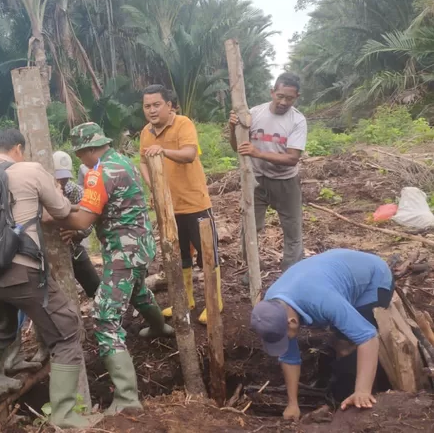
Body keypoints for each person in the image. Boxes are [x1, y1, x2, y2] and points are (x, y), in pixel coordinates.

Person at [0, 129, 98, 429]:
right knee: (67, 330)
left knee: (2, 325)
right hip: (20, 270)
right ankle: (65, 416)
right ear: (17, 149)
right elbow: (63, 209)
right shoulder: (29, 169)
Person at [57, 122, 173, 415]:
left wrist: (52, 217)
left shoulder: (99, 173)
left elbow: (84, 219)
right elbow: (102, 209)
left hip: (123, 252)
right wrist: (77, 220)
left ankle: (126, 398)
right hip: (140, 246)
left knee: (105, 318)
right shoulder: (123, 162)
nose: (80, 159)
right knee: (138, 291)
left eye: (80, 154)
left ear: (88, 149)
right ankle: (159, 327)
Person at [250, 249, 394, 421]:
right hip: (331, 277)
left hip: (373, 280)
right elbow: (289, 357)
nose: (285, 341)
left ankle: (353, 398)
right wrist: (292, 404)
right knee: (342, 339)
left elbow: (367, 337)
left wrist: (362, 390)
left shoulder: (322, 300)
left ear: (292, 322)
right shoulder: (272, 307)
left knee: (348, 346)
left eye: (284, 337)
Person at [138, 85, 221, 325]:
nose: (152, 110)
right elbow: (143, 160)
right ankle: (185, 301)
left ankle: (214, 302)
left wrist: (163, 151)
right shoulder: (146, 132)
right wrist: (153, 185)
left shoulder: (183, 124)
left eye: (156, 105)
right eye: (147, 106)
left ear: (169, 105)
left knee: (208, 255)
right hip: (168, 207)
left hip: (194, 203)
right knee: (178, 254)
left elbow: (189, 154)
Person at [229, 72, 307, 270]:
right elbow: (237, 147)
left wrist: (257, 152)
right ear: (272, 92)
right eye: (280, 96)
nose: (283, 102)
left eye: (289, 98)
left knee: (293, 231)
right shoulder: (254, 114)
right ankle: (252, 272)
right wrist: (233, 128)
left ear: (296, 97)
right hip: (256, 181)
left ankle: (292, 274)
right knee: (249, 229)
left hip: (286, 182)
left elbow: (292, 158)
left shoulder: (297, 121)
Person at [54, 150, 101, 299]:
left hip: (73, 247)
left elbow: (90, 222)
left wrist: (75, 232)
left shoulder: (75, 191)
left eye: (65, 178)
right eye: (59, 178)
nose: (62, 182)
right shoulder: (39, 191)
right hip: (49, 250)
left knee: (95, 287)